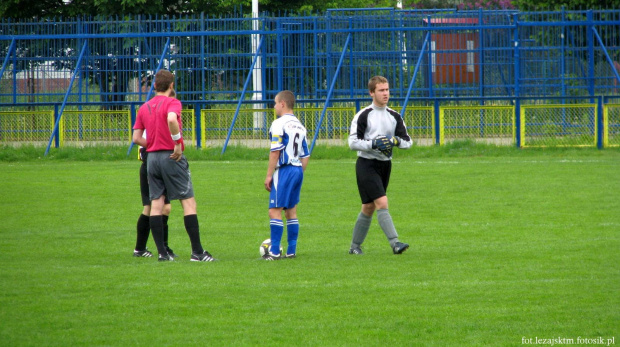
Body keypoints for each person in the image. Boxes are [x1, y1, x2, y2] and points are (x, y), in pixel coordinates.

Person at [132, 69, 215, 262]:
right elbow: (171, 119)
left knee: (156, 205)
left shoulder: (144, 107)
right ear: (171, 86)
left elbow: (136, 138)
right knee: (188, 202)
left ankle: (162, 253)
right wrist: (177, 143)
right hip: (171, 156)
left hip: (151, 160)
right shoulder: (173, 102)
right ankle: (197, 252)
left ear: (154, 86)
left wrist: (151, 144)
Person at [348, 75, 412, 255]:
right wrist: (373, 143)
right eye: (381, 90)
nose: (385, 94)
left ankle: (354, 247)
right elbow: (352, 143)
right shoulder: (363, 115)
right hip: (366, 164)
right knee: (382, 202)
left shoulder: (394, 116)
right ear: (371, 93)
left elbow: (408, 142)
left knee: (368, 207)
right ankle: (395, 243)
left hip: (385, 165)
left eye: (387, 90)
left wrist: (394, 141)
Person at [263, 90, 310, 260]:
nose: (274, 106)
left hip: (284, 169)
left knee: (274, 211)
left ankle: (274, 252)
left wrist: (269, 175)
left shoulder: (278, 123)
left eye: (275, 103)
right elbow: (306, 155)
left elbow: (275, 151)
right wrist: (298, 173)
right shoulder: (300, 125)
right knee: (291, 211)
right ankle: (291, 250)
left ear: (282, 103)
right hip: (297, 169)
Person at [132, 89, 177, 258]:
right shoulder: (152, 116)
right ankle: (144, 249)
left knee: (163, 208)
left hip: (159, 165)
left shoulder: (156, 115)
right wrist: (155, 145)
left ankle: (162, 248)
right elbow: (137, 139)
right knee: (154, 207)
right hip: (152, 166)